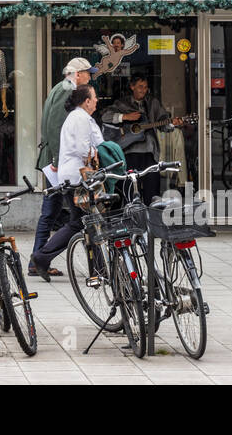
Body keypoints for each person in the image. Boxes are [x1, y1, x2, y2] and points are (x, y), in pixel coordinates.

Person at [29, 57, 98, 277]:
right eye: (88, 73)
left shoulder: (61, 87)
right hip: (58, 162)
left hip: (57, 160)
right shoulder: (67, 88)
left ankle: (40, 258)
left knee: (56, 211)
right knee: (54, 212)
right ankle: (38, 258)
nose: (90, 77)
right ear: (77, 74)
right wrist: (57, 162)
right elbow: (54, 127)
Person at [101, 74, 183, 202]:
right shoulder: (122, 103)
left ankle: (152, 218)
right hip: (129, 152)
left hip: (149, 152)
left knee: (152, 191)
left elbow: (162, 122)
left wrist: (172, 123)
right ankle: (133, 217)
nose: (143, 90)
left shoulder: (152, 103)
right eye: (140, 86)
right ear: (132, 86)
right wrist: (125, 117)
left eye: (145, 87)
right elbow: (105, 116)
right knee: (131, 190)